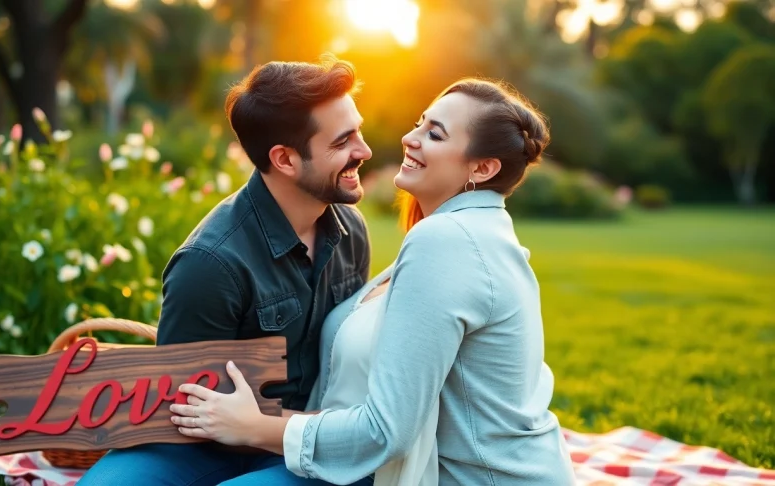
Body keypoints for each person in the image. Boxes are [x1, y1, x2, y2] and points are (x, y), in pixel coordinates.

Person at [171, 78, 578, 486]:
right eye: (420, 123)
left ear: (483, 167)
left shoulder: (446, 241)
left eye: (434, 134)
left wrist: (255, 427)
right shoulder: (475, 231)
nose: (408, 137)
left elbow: (385, 431)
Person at [78, 57, 374, 486]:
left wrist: (310, 431)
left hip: (304, 443)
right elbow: (180, 405)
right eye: (343, 141)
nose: (363, 150)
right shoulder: (209, 264)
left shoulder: (352, 233)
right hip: (198, 444)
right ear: (285, 159)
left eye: (358, 132)